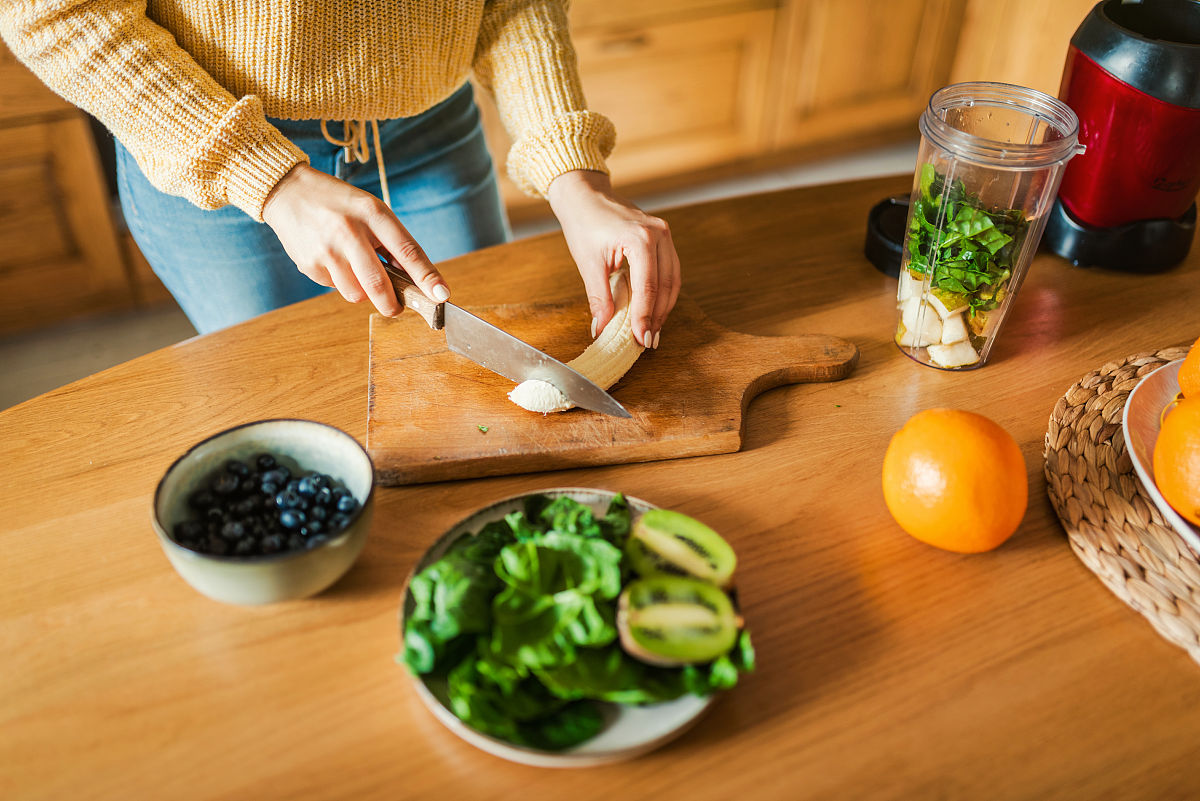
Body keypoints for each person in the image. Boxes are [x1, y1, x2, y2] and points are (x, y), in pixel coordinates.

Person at [0, 1, 679, 347]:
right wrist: (266, 176)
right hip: (214, 147)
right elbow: (58, 11)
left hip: (435, 130)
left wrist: (574, 176)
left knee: (473, 371)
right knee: (294, 397)